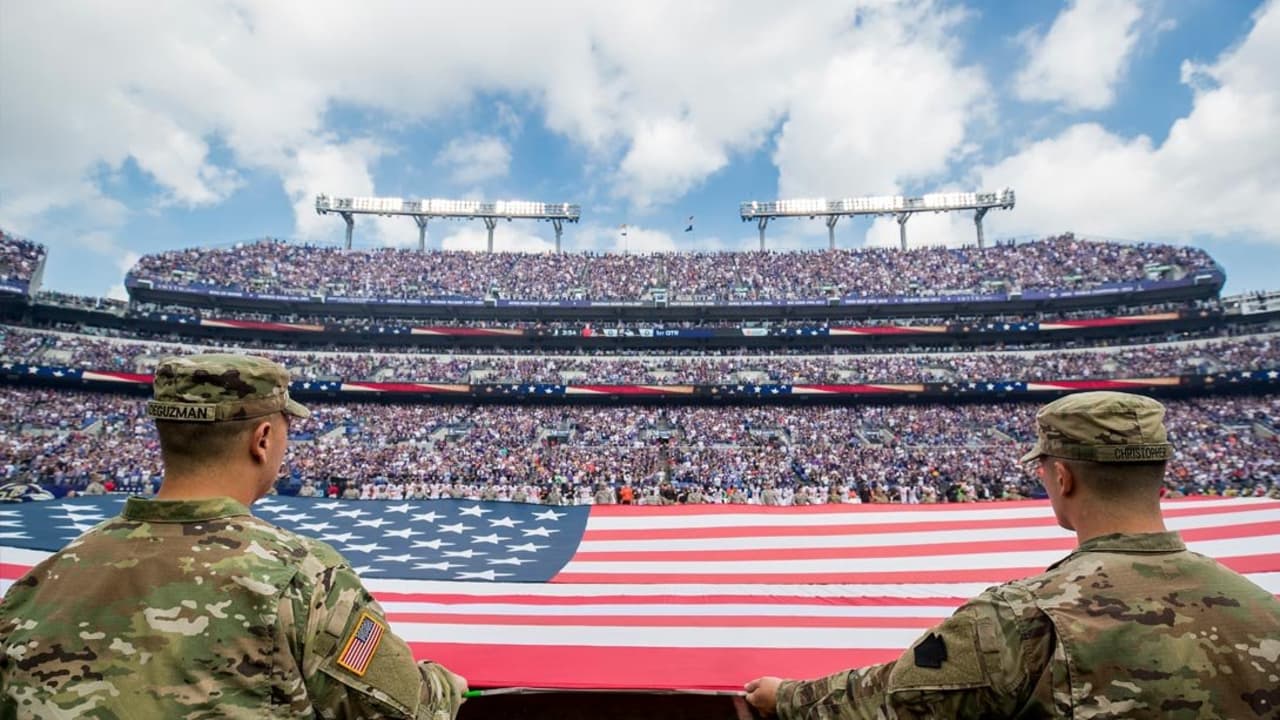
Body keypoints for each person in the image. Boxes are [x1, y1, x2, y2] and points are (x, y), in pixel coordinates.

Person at [745, 391, 1280, 719]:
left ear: (1063, 476)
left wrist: (786, 698)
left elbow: (897, 697)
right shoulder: (1264, 609)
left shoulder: (1022, 617)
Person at [0, 354, 467, 719]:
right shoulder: (303, 578)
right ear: (262, 439)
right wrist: (448, 683)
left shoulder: (41, 581)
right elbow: (409, 710)